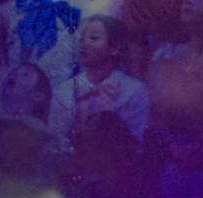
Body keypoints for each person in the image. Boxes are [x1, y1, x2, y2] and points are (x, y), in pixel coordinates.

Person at [51, 15, 150, 144]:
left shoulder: (135, 91)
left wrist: (110, 115)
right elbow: (54, 140)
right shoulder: (65, 89)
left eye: (94, 38)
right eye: (81, 39)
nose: (83, 44)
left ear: (115, 48)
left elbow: (137, 143)